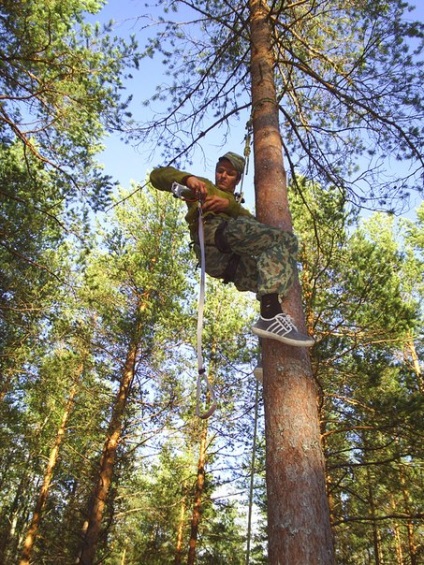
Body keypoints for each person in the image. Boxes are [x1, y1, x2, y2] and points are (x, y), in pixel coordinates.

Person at [149, 151, 314, 347]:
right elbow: (157, 176)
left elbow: (255, 228)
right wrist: (189, 179)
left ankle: (269, 346)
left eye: (229, 173)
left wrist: (230, 206)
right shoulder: (205, 187)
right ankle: (270, 314)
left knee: (273, 277)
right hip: (214, 237)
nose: (223, 176)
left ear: (237, 179)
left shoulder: (235, 206)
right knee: (285, 240)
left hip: (225, 263)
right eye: (220, 171)